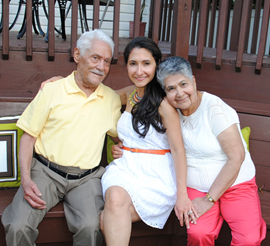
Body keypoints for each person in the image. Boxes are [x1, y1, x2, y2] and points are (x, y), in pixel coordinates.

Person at [1, 29, 121, 246]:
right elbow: (28, 138)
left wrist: (121, 147)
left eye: (106, 61)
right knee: (18, 225)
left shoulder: (111, 99)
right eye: (95, 58)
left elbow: (121, 132)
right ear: (77, 55)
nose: (101, 67)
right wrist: (26, 179)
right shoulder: (52, 90)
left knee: (91, 228)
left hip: (87, 178)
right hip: (46, 172)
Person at [155, 56, 266, 246]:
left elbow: (236, 157)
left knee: (248, 239)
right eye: (171, 88)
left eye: (183, 84)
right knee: (199, 234)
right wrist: (121, 147)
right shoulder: (171, 114)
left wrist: (209, 199)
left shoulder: (214, 109)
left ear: (194, 81)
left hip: (236, 185)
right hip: (197, 187)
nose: (180, 93)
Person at [99, 37, 197, 246]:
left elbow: (178, 151)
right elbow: (95, 98)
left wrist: (182, 195)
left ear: (156, 65)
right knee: (114, 201)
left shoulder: (164, 104)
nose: (139, 71)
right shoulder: (130, 93)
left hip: (155, 176)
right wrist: (63, 81)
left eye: (146, 63)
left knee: (105, 219)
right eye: (133, 63)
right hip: (125, 168)